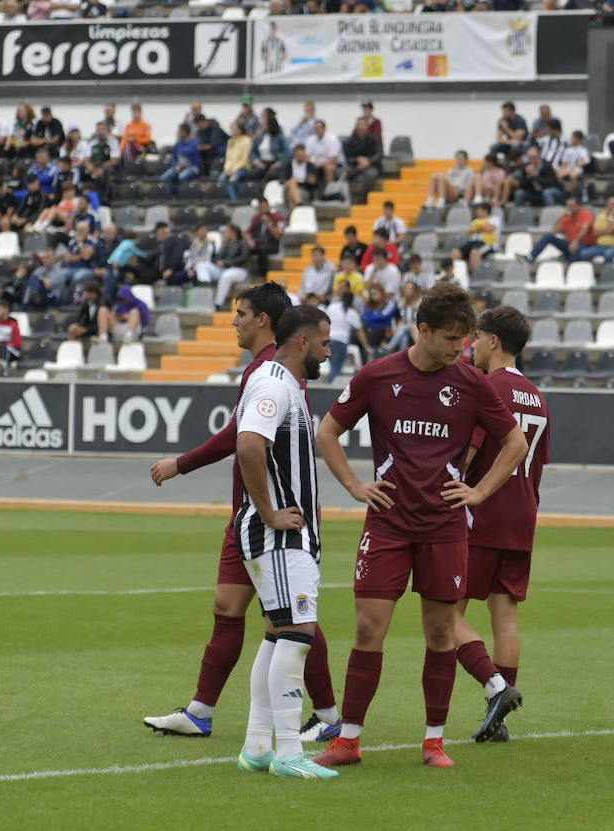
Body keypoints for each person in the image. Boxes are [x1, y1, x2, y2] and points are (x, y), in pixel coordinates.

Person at [312, 282, 529, 769]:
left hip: (444, 529)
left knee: (439, 633)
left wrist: (478, 492)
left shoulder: (471, 383)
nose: (462, 348)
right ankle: (347, 741)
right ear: (422, 329)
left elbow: (514, 444)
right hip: (387, 525)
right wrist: (353, 486)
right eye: (452, 338)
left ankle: (434, 742)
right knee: (369, 629)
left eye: (467, 338)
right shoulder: (378, 375)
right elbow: (327, 431)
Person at [145, 284, 340, 744]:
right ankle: (201, 711)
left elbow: (241, 437)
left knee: (290, 620)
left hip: (265, 517)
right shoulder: (274, 371)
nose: (234, 320)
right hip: (251, 516)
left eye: (242, 313)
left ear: (264, 321)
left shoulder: (272, 371)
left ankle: (322, 717)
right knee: (231, 609)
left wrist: (181, 463)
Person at [231, 304, 337, 780]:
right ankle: (289, 752)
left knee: (279, 634)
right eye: (325, 342)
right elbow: (249, 444)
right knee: (298, 635)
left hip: (283, 534)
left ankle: (257, 746)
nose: (328, 351)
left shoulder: (281, 382)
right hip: (278, 534)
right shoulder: (275, 384)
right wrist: (271, 512)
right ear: (302, 342)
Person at [452, 306, 550, 742]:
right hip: (522, 514)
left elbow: (469, 453)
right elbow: (538, 463)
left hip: (482, 513)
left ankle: (495, 688)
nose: (470, 345)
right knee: (505, 617)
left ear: (493, 340)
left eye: (475, 337)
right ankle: (500, 722)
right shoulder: (538, 396)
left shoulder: (485, 387)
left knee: (445, 614)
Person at [528, 193, 593, 262]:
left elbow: (584, 229)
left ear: (579, 206)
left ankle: (571, 266)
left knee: (574, 250)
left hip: (584, 244)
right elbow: (554, 231)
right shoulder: (567, 217)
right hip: (570, 243)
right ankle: (531, 257)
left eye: (572, 206)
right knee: (548, 236)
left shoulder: (586, 214)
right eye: (568, 206)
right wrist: (563, 217)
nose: (570, 208)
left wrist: (575, 241)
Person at [324, 286, 367, 383]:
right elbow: (359, 331)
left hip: (328, 340)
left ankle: (329, 384)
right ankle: (330, 389)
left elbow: (323, 321)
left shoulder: (332, 306)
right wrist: (366, 346)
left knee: (332, 366)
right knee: (336, 368)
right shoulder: (351, 312)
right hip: (341, 342)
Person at [575, 196, 614, 263]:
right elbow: (596, 233)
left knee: (608, 254)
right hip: (600, 246)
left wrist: (611, 217)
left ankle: (607, 273)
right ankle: (588, 272)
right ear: (607, 204)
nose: (613, 206)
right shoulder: (600, 216)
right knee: (584, 253)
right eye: (611, 203)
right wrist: (609, 231)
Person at [159, 124, 201, 196]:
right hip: (179, 167)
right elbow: (174, 157)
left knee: (182, 177)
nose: (178, 133)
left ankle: (183, 194)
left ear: (185, 132)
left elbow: (186, 152)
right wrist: (176, 166)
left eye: (180, 131)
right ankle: (172, 194)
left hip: (192, 167)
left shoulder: (194, 143)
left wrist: (181, 166)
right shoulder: (178, 143)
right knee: (164, 178)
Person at [218, 121, 253, 202]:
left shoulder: (246, 141)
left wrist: (234, 171)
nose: (232, 131)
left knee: (232, 181)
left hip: (243, 168)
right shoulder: (230, 141)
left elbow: (245, 159)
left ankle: (234, 202)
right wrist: (227, 169)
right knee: (221, 180)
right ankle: (224, 201)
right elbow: (228, 158)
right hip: (230, 169)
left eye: (234, 129)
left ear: (240, 129)